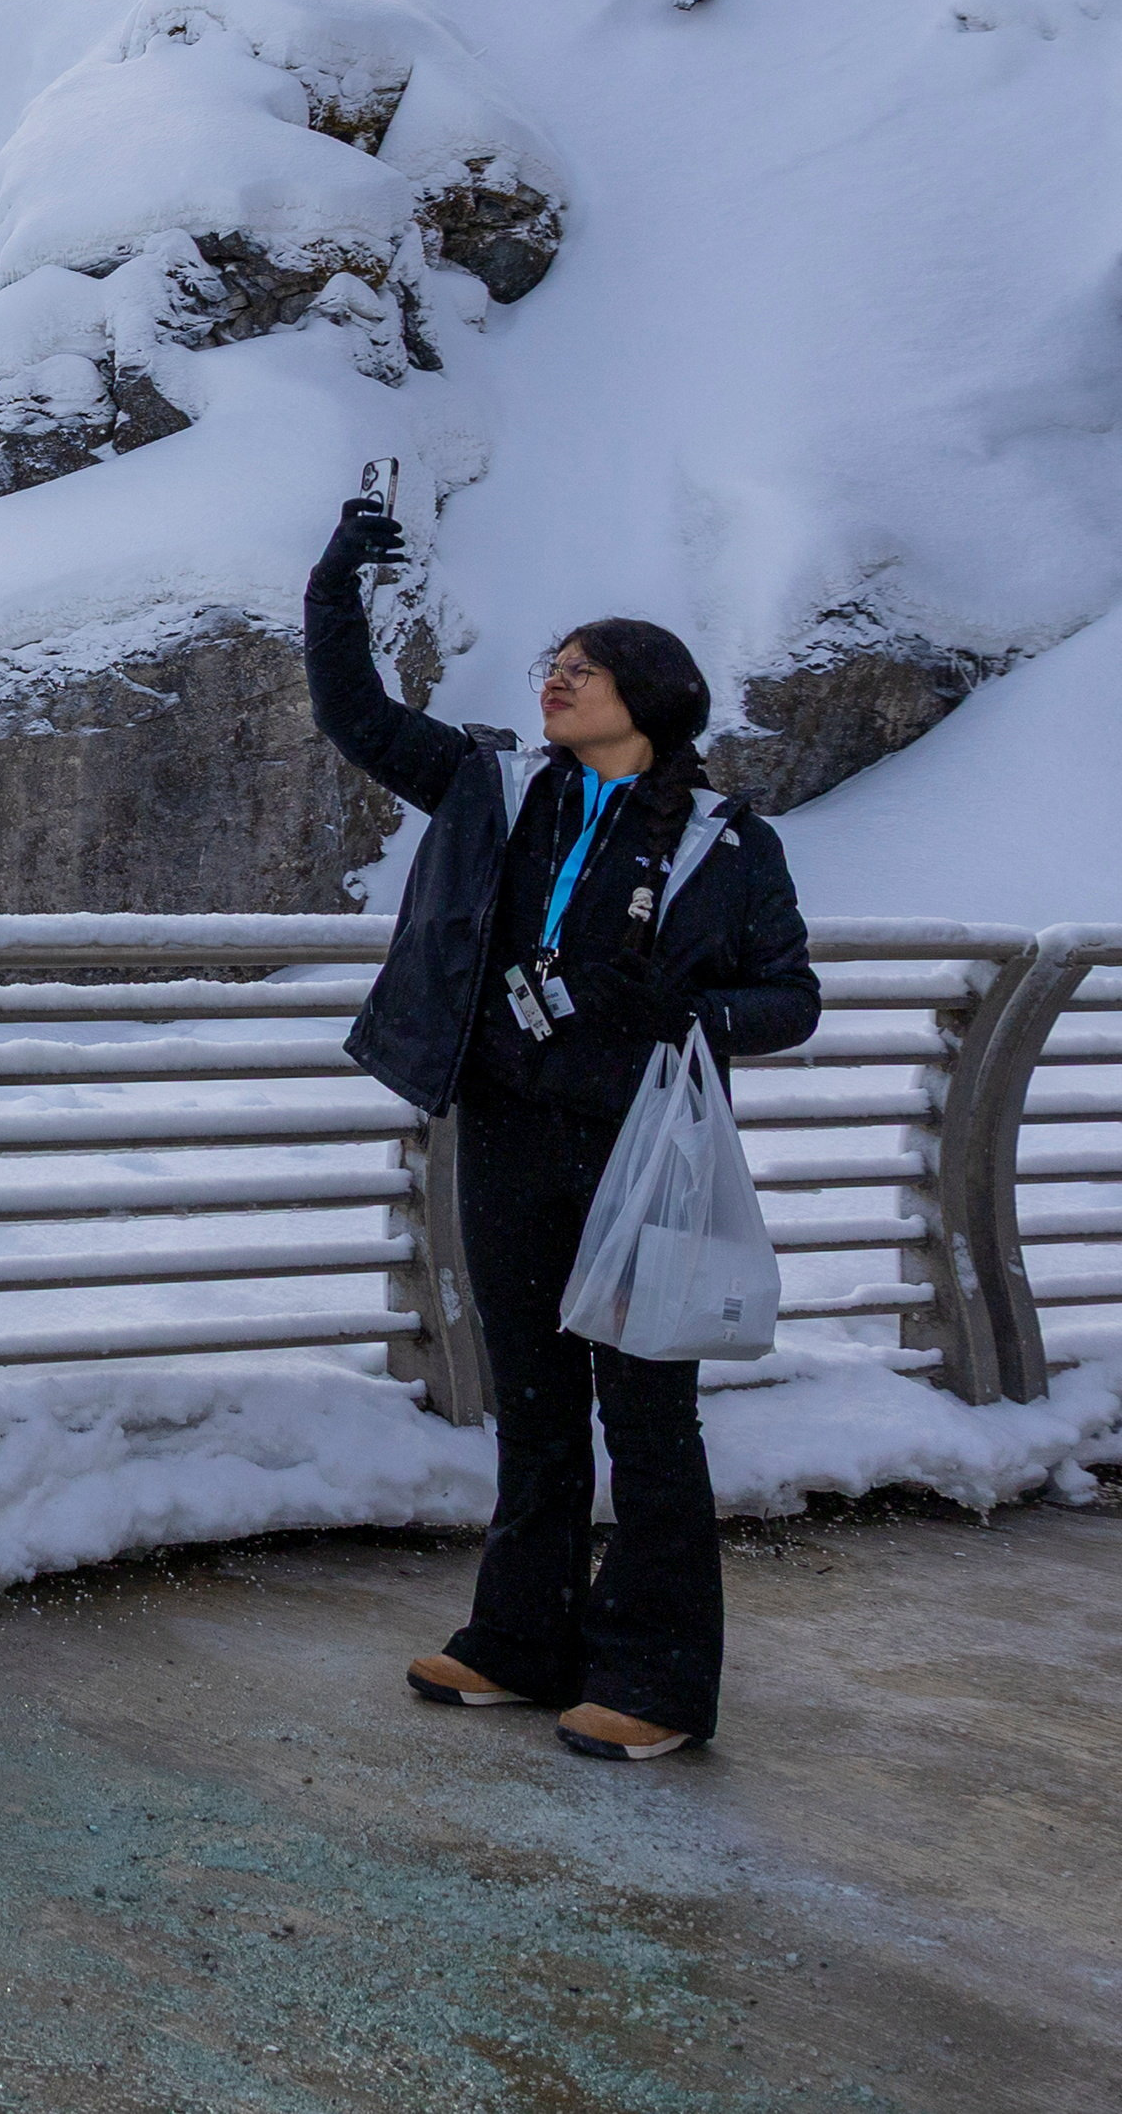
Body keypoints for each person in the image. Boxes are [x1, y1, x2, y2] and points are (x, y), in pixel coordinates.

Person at [307, 492, 818, 1761]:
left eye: (583, 670)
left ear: (647, 700)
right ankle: (520, 1642)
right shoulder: (493, 789)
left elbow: (789, 997)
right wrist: (333, 587)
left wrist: (688, 1014)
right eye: (554, 664)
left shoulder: (725, 845)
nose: (556, 680)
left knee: (645, 1417)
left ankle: (655, 1679)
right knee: (531, 1404)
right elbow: (355, 717)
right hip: (505, 1135)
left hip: (640, 1153)